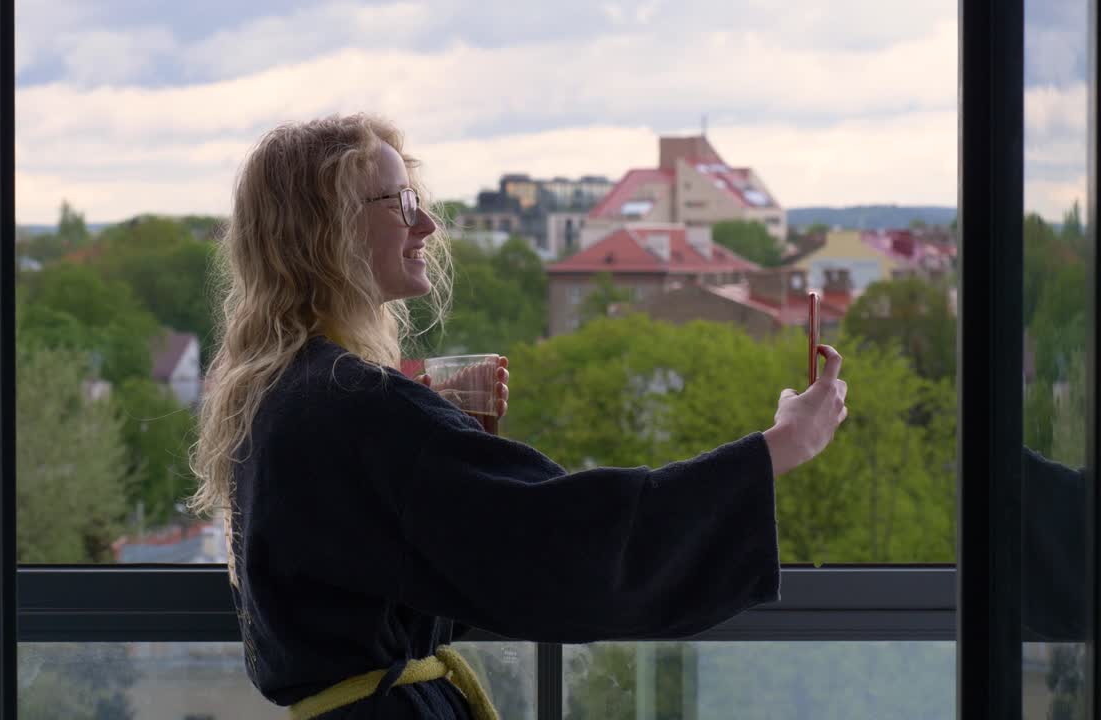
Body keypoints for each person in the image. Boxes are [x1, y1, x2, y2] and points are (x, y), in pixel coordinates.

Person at [189, 114, 849, 719]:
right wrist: (780, 446)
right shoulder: (352, 405)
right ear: (323, 228)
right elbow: (559, 538)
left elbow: (396, 556)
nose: (427, 227)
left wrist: (443, 435)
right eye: (400, 204)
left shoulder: (284, 389)